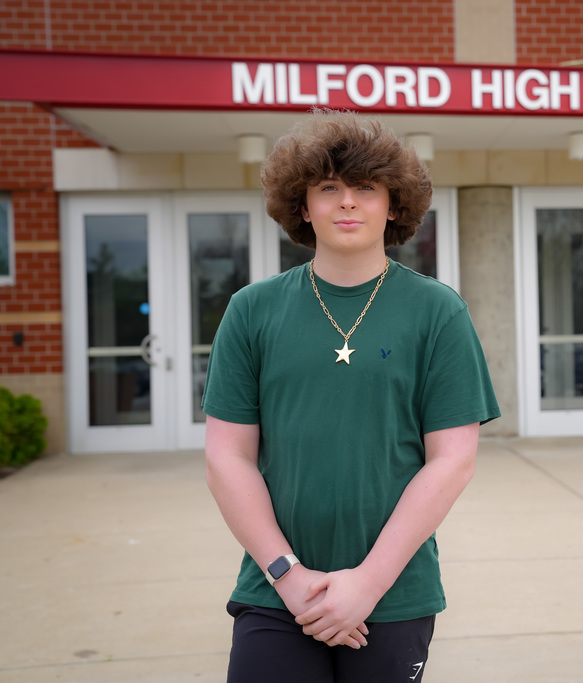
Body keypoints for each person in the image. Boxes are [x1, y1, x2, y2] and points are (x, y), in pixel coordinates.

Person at [203, 108, 500, 683]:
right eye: (328, 187)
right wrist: (288, 576)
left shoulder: (438, 312)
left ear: (393, 205)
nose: (346, 202)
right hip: (274, 591)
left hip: (392, 594)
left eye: (366, 188)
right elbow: (226, 458)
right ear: (303, 204)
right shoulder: (251, 311)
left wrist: (366, 583)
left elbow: (453, 460)